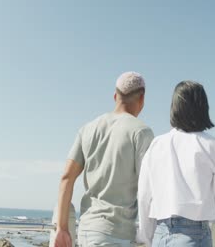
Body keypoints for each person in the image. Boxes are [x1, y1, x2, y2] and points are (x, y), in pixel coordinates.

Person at [54, 72, 154, 247]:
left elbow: (66, 178)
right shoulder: (141, 132)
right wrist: (149, 234)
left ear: (115, 96)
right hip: (116, 234)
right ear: (142, 98)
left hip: (86, 230)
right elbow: (147, 188)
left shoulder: (88, 129)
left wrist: (62, 228)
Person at [137, 80, 215, 247]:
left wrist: (145, 237)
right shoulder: (212, 146)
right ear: (203, 107)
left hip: (160, 234)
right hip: (194, 235)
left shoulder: (157, 145)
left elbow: (144, 196)